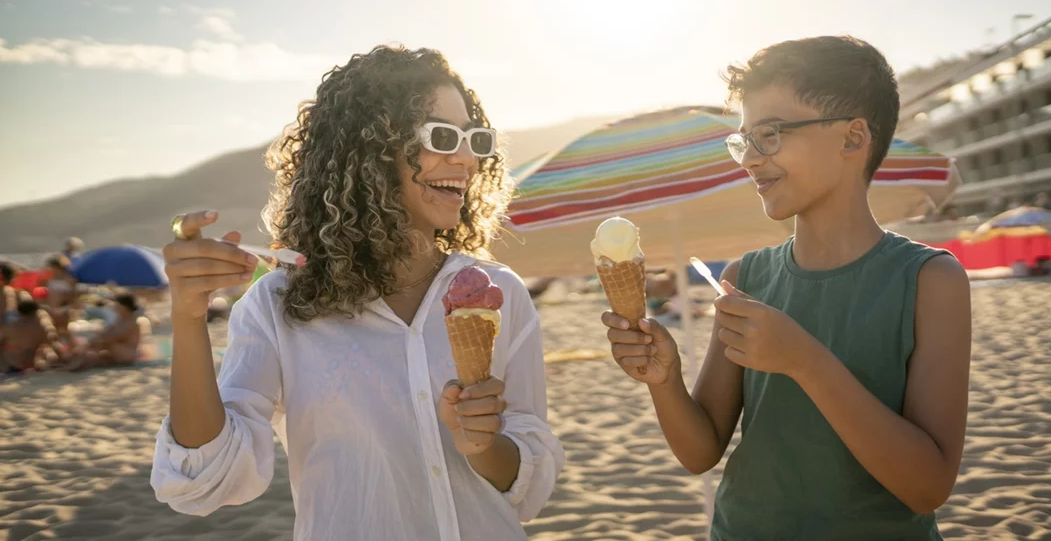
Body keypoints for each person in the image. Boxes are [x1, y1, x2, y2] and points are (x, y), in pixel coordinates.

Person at [150, 46, 563, 541]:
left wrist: (484, 445)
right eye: (443, 136)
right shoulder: (279, 304)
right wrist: (188, 318)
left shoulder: (500, 294)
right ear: (366, 151)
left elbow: (528, 484)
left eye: (476, 138)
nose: (467, 157)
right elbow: (209, 478)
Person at [602, 36, 971, 540]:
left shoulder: (931, 280)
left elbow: (928, 487)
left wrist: (803, 360)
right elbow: (700, 451)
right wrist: (664, 380)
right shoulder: (745, 278)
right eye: (743, 140)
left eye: (770, 135)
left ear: (852, 138)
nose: (749, 160)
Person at [64, 294, 142, 370]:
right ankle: (72, 362)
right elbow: (106, 332)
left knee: (103, 344)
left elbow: (116, 337)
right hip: (117, 351)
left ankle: (74, 365)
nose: (115, 307)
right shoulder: (120, 320)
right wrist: (92, 341)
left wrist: (93, 342)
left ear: (124, 307)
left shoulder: (132, 322)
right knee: (95, 356)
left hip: (127, 354)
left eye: (117, 305)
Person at [0, 300, 60, 374]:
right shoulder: (38, 328)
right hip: (28, 364)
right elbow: (48, 344)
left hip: (9, 364)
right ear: (34, 312)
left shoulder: (10, 327)